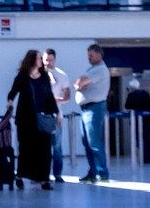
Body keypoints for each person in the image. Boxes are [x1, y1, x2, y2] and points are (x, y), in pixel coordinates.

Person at [6, 50, 59, 190]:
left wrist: (56, 113)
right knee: (25, 148)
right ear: (32, 60)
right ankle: (20, 175)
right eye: (39, 58)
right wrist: (10, 101)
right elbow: (13, 91)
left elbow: (50, 96)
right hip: (25, 119)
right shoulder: (22, 76)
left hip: (43, 117)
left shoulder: (44, 76)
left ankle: (44, 179)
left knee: (45, 149)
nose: (41, 60)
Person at [74, 43, 111, 183]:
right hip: (86, 109)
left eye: (91, 55)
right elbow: (78, 82)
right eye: (88, 55)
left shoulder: (100, 69)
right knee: (87, 143)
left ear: (99, 55)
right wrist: (80, 83)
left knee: (94, 141)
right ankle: (93, 171)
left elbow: (80, 82)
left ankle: (103, 173)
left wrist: (80, 84)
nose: (88, 57)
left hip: (94, 108)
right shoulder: (92, 69)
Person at [44, 48, 72, 183]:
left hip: (56, 115)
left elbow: (67, 95)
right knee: (41, 146)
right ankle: (41, 173)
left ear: (55, 59)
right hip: (41, 115)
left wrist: (56, 100)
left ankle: (57, 173)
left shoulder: (62, 75)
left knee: (57, 146)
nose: (48, 63)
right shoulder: (37, 75)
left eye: (51, 60)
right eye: (46, 60)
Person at [125, 78, 150, 165]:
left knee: (139, 138)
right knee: (147, 138)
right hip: (147, 119)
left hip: (136, 120)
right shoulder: (145, 94)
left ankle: (142, 156)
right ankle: (148, 157)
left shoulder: (131, 95)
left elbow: (127, 106)